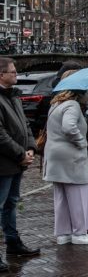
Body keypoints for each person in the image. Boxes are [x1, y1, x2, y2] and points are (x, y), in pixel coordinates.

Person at [0, 58, 39, 269]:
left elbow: (25, 123)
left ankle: (13, 243)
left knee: (11, 203)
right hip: (4, 163)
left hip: (17, 162)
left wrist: (31, 147)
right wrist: (20, 154)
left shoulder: (14, 96)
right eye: (13, 72)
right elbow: (0, 135)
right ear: (1, 75)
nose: (17, 75)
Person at [44, 89, 88, 245]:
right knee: (78, 192)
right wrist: (82, 142)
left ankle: (63, 233)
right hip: (70, 156)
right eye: (86, 93)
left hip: (55, 155)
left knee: (61, 196)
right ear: (79, 94)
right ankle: (80, 232)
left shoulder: (56, 104)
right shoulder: (72, 105)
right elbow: (68, 127)